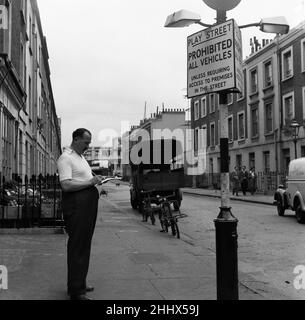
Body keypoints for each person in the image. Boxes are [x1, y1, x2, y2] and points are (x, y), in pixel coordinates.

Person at [57, 128, 103, 300]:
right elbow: (66, 185)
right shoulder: (65, 158)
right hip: (77, 206)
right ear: (76, 139)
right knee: (77, 246)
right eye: (86, 142)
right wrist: (90, 182)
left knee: (84, 245)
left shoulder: (80, 158)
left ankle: (80, 282)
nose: (88, 146)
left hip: (86, 205)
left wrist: (94, 178)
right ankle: (76, 291)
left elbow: (83, 177)